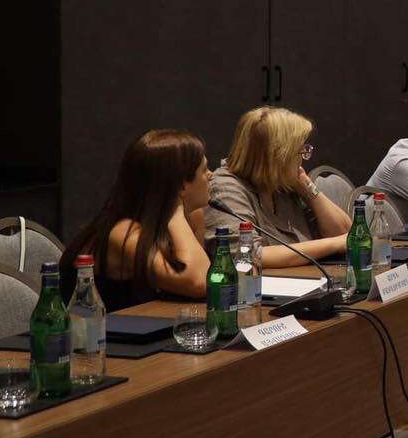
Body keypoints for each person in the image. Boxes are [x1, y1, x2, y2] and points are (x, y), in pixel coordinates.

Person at [64, 129, 215, 305]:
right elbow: (199, 282)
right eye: (204, 170)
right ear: (181, 185)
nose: (211, 175)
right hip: (95, 323)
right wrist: (174, 209)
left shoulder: (193, 218)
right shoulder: (123, 233)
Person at [203, 106, 352, 267]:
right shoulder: (224, 190)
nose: (303, 159)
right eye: (301, 152)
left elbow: (346, 236)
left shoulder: (285, 184)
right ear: (278, 157)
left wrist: (309, 190)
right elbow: (250, 255)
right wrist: (333, 244)